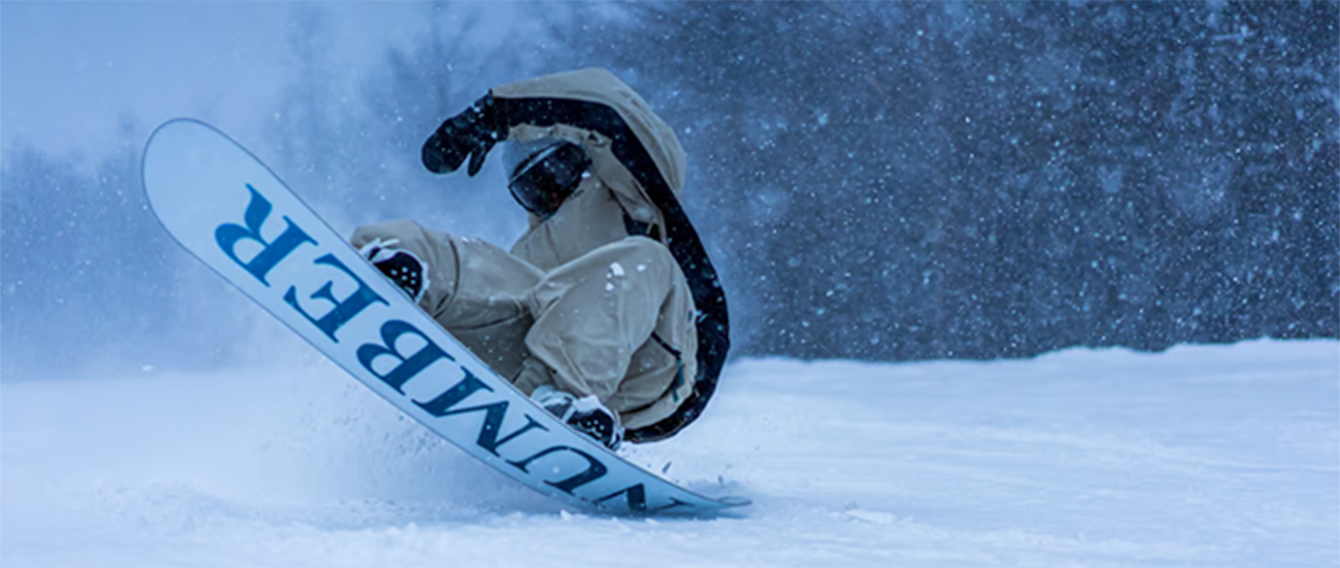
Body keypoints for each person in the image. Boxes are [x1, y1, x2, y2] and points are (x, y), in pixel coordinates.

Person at [350, 68, 730, 450]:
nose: (549, 197)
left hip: (653, 365)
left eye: (556, 173)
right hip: (541, 369)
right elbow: (492, 290)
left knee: (644, 260)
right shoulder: (532, 248)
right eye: (532, 189)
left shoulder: (639, 202)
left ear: (589, 159)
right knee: (483, 262)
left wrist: (495, 115)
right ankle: (384, 268)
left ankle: (570, 399)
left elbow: (606, 106)